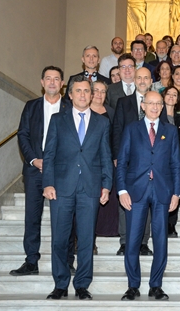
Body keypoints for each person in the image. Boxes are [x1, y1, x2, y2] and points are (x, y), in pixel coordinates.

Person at [43, 75, 113, 300]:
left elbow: (105, 155)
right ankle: (60, 284)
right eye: (79, 91)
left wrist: (106, 185)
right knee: (60, 239)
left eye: (87, 91)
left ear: (92, 95)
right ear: (70, 94)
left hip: (90, 188)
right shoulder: (57, 120)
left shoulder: (102, 122)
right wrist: (48, 183)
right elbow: (49, 154)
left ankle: (82, 284)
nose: (83, 95)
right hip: (62, 187)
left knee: (85, 239)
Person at [117, 91, 180, 301]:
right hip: (135, 191)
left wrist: (176, 193)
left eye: (158, 104)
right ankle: (133, 286)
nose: (154, 107)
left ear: (162, 107)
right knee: (133, 240)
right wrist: (122, 190)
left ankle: (156, 285)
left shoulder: (170, 131)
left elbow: (176, 164)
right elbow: (122, 162)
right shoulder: (131, 129)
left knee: (160, 240)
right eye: (150, 103)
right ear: (142, 106)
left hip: (162, 191)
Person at [10, 66, 72, 277]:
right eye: (48, 78)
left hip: (62, 172)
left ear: (63, 83)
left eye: (56, 79)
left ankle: (65, 261)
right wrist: (34, 159)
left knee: (64, 218)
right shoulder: (31, 106)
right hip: (35, 171)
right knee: (32, 217)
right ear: (42, 82)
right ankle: (31, 261)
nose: (52, 82)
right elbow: (23, 135)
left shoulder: (70, 107)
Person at [112, 67, 155, 256]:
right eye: (140, 77)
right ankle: (125, 241)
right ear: (134, 80)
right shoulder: (123, 102)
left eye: (146, 78)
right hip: (128, 161)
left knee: (147, 201)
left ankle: (144, 242)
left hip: (150, 163)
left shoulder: (156, 102)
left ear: (151, 80)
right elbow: (117, 130)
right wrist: (116, 156)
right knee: (125, 200)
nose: (143, 81)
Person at [90, 81, 117, 245]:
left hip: (107, 159)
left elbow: (115, 135)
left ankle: (106, 230)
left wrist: (115, 156)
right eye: (96, 91)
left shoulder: (111, 112)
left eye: (102, 91)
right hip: (88, 162)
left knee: (106, 195)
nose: (99, 94)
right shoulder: (82, 111)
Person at [161, 86, 180, 236]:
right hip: (160, 160)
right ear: (163, 96)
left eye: (175, 95)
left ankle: (171, 224)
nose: (171, 97)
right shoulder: (158, 115)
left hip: (177, 158)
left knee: (175, 191)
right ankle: (161, 223)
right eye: (168, 94)